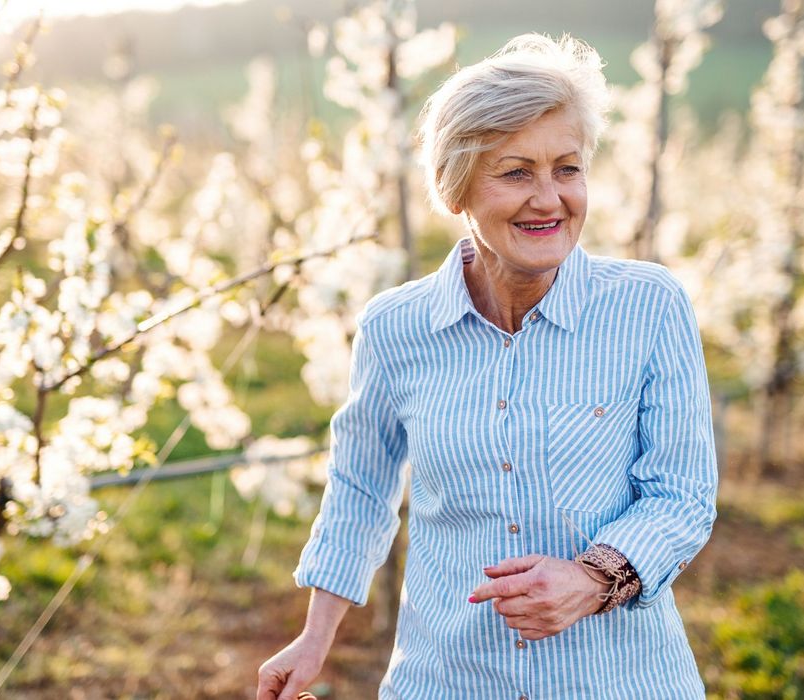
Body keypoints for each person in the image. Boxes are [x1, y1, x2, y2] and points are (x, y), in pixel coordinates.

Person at [257, 33, 718, 700]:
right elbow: (360, 486)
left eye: (567, 168)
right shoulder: (395, 327)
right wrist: (316, 636)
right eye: (515, 172)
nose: (548, 198)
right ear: (456, 189)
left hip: (616, 680)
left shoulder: (649, 307)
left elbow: (681, 494)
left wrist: (591, 581)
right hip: (448, 679)